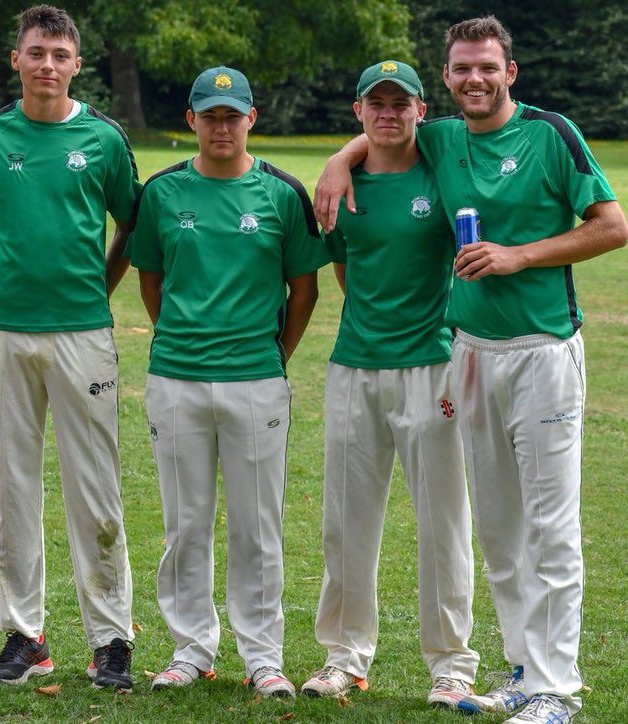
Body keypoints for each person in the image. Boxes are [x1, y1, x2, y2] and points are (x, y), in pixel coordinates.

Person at [313, 17, 627, 724]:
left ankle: (557, 689)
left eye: (487, 67)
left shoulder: (551, 133)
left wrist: (520, 256)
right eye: (461, 70)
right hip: (473, 354)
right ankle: (523, 669)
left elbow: (613, 225)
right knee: (499, 527)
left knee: (551, 526)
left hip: (543, 349)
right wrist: (339, 158)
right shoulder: (446, 137)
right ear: (447, 80)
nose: (475, 80)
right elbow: (384, 128)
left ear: (509, 71)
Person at [0, 4, 138, 689]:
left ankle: (111, 638)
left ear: (76, 63)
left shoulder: (106, 138)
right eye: (36, 53)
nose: (47, 65)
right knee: (14, 484)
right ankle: (25, 634)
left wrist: (97, 287)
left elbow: (131, 226)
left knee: (96, 488)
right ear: (17, 60)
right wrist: (0, 278)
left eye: (59, 54)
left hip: (83, 331)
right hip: (6, 330)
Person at [128, 66, 327, 698]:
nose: (221, 126)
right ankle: (191, 648)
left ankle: (263, 655)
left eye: (231, 115)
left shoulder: (282, 193)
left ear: (251, 119)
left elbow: (304, 289)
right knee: (186, 522)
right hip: (177, 380)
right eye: (209, 115)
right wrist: (187, 339)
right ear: (191, 120)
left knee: (257, 524)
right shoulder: (161, 193)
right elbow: (151, 281)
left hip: (257, 381)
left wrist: (272, 355)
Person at [298, 60, 478, 710]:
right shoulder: (342, 191)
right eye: (376, 103)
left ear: (421, 111)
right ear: (359, 110)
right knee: (345, 522)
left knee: (443, 522)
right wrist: (342, 160)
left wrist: (338, 154)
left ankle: (452, 666)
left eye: (401, 103)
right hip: (353, 367)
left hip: (432, 366)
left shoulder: (442, 170)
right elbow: (346, 269)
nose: (389, 114)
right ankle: (344, 658)